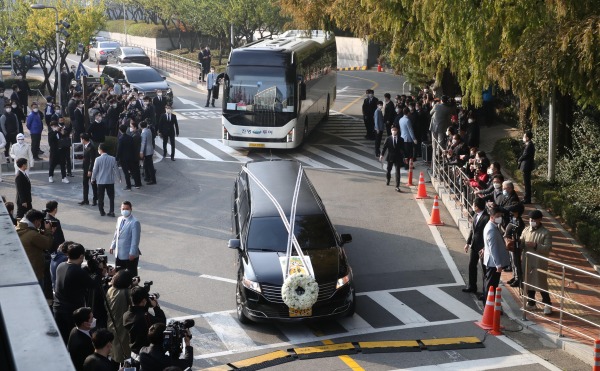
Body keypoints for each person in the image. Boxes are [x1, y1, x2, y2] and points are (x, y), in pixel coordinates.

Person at [53, 243, 97, 344]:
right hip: (71, 312)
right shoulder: (77, 271)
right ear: (81, 256)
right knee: (73, 340)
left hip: (58, 309)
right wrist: (98, 270)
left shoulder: (61, 266)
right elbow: (94, 284)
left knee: (62, 341)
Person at [520, 209, 553, 315]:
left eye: (534, 219)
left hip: (539, 262)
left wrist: (535, 245)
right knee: (528, 281)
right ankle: (531, 302)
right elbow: (521, 241)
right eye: (530, 219)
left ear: (540, 220)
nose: (531, 221)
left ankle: (547, 304)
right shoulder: (526, 230)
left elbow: (547, 248)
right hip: (527, 260)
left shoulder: (546, 233)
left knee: (541, 283)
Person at [123, 286, 166, 358]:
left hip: (134, 351)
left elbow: (139, 311)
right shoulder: (145, 317)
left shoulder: (126, 315)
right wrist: (156, 307)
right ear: (143, 301)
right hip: (146, 353)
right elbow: (162, 323)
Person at [480, 207, 511, 304]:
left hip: (492, 261)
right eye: (497, 216)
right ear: (492, 217)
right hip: (493, 263)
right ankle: (489, 305)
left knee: (490, 283)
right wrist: (498, 264)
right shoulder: (491, 229)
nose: (500, 218)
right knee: (491, 285)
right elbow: (493, 249)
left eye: (500, 216)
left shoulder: (492, 226)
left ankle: (490, 304)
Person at [16, 209, 54, 285]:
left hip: (24, 270)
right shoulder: (33, 234)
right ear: (36, 221)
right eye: (40, 221)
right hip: (35, 272)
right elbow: (47, 244)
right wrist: (48, 231)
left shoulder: (19, 228)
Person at [104, 270, 133, 365]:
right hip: (122, 328)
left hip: (111, 325)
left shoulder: (111, 289)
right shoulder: (126, 292)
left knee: (114, 352)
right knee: (124, 354)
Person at [462, 197, 489, 295]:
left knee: (484, 269)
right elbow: (472, 230)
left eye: (474, 205)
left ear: (476, 206)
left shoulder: (486, 218)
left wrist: (485, 247)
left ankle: (485, 291)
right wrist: (468, 243)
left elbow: (487, 234)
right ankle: (472, 286)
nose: (473, 207)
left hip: (482, 247)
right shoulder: (475, 215)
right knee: (472, 265)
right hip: (474, 245)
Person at [110, 201, 141, 276]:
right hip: (119, 253)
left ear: (131, 209)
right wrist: (112, 245)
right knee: (119, 275)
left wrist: (132, 253)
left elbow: (135, 240)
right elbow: (116, 233)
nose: (125, 211)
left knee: (130, 275)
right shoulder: (120, 219)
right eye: (123, 209)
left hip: (129, 255)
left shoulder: (134, 222)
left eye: (127, 209)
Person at [91, 143, 122, 217]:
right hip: (110, 181)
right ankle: (111, 211)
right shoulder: (112, 158)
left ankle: (101, 211)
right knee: (111, 197)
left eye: (98, 149)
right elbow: (116, 169)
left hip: (101, 181)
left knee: (100, 197)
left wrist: (93, 178)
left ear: (101, 150)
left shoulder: (97, 159)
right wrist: (119, 178)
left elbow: (95, 170)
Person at [67, 307, 96, 371]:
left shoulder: (75, 329)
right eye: (92, 318)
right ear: (85, 324)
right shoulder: (83, 344)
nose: (94, 319)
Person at [504, 204, 526, 288]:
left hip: (515, 245)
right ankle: (515, 276)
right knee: (512, 262)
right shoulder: (513, 219)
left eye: (513, 211)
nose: (511, 213)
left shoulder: (519, 222)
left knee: (516, 262)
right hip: (510, 244)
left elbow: (518, 234)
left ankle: (518, 278)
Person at [379, 125, 405, 192]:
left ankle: (397, 186)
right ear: (391, 131)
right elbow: (384, 147)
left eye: (395, 130)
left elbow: (403, 149)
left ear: (397, 131)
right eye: (393, 130)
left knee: (397, 171)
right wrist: (381, 155)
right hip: (390, 156)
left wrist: (405, 157)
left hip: (398, 157)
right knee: (388, 169)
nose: (394, 131)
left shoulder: (401, 139)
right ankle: (388, 179)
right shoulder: (388, 139)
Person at [116, 124, 137, 190]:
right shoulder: (130, 137)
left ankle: (128, 185)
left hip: (123, 158)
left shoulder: (121, 139)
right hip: (131, 157)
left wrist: (117, 157)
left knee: (126, 172)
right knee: (132, 171)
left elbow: (119, 149)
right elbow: (133, 148)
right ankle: (136, 183)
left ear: (120, 130)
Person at [79, 134, 98, 206]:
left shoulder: (91, 148)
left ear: (83, 139)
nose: (80, 140)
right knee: (85, 184)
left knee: (93, 184)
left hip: (90, 170)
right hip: (85, 169)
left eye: (81, 139)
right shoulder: (86, 146)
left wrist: (90, 170)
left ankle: (95, 200)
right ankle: (85, 199)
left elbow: (92, 160)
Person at [518, 131, 535, 204]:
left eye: (524, 136)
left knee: (527, 183)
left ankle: (527, 199)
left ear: (527, 137)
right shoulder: (527, 144)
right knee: (526, 183)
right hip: (526, 166)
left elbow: (525, 155)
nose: (523, 138)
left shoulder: (529, 145)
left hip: (527, 166)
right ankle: (526, 198)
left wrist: (519, 159)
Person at [139, 121, 156, 185]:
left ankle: (153, 179)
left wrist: (141, 152)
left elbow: (143, 143)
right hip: (150, 149)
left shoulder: (143, 133)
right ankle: (147, 177)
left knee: (150, 166)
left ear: (141, 126)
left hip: (147, 151)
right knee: (146, 165)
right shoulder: (149, 130)